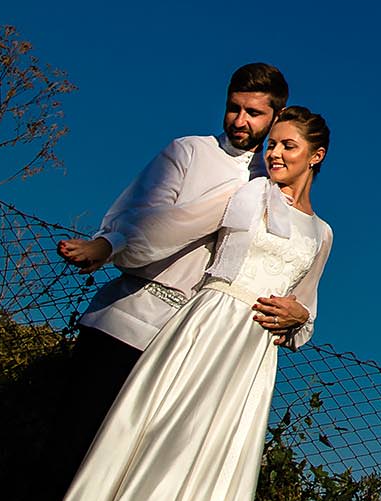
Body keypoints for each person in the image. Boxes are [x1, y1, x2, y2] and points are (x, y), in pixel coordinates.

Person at [38, 105, 335, 501]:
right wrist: (109, 246)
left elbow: (306, 307)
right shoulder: (248, 194)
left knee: (213, 470)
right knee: (159, 450)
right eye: (272, 144)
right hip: (205, 328)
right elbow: (173, 225)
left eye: (289, 146)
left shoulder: (323, 233)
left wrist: (299, 319)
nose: (274, 152)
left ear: (316, 156)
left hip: (250, 357)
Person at [53, 62, 290, 455]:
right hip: (126, 322)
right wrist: (111, 244)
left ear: (276, 116)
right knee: (68, 449)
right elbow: (140, 216)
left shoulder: (273, 185)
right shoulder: (190, 150)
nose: (240, 121)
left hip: (189, 345)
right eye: (234, 108)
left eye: (254, 113)